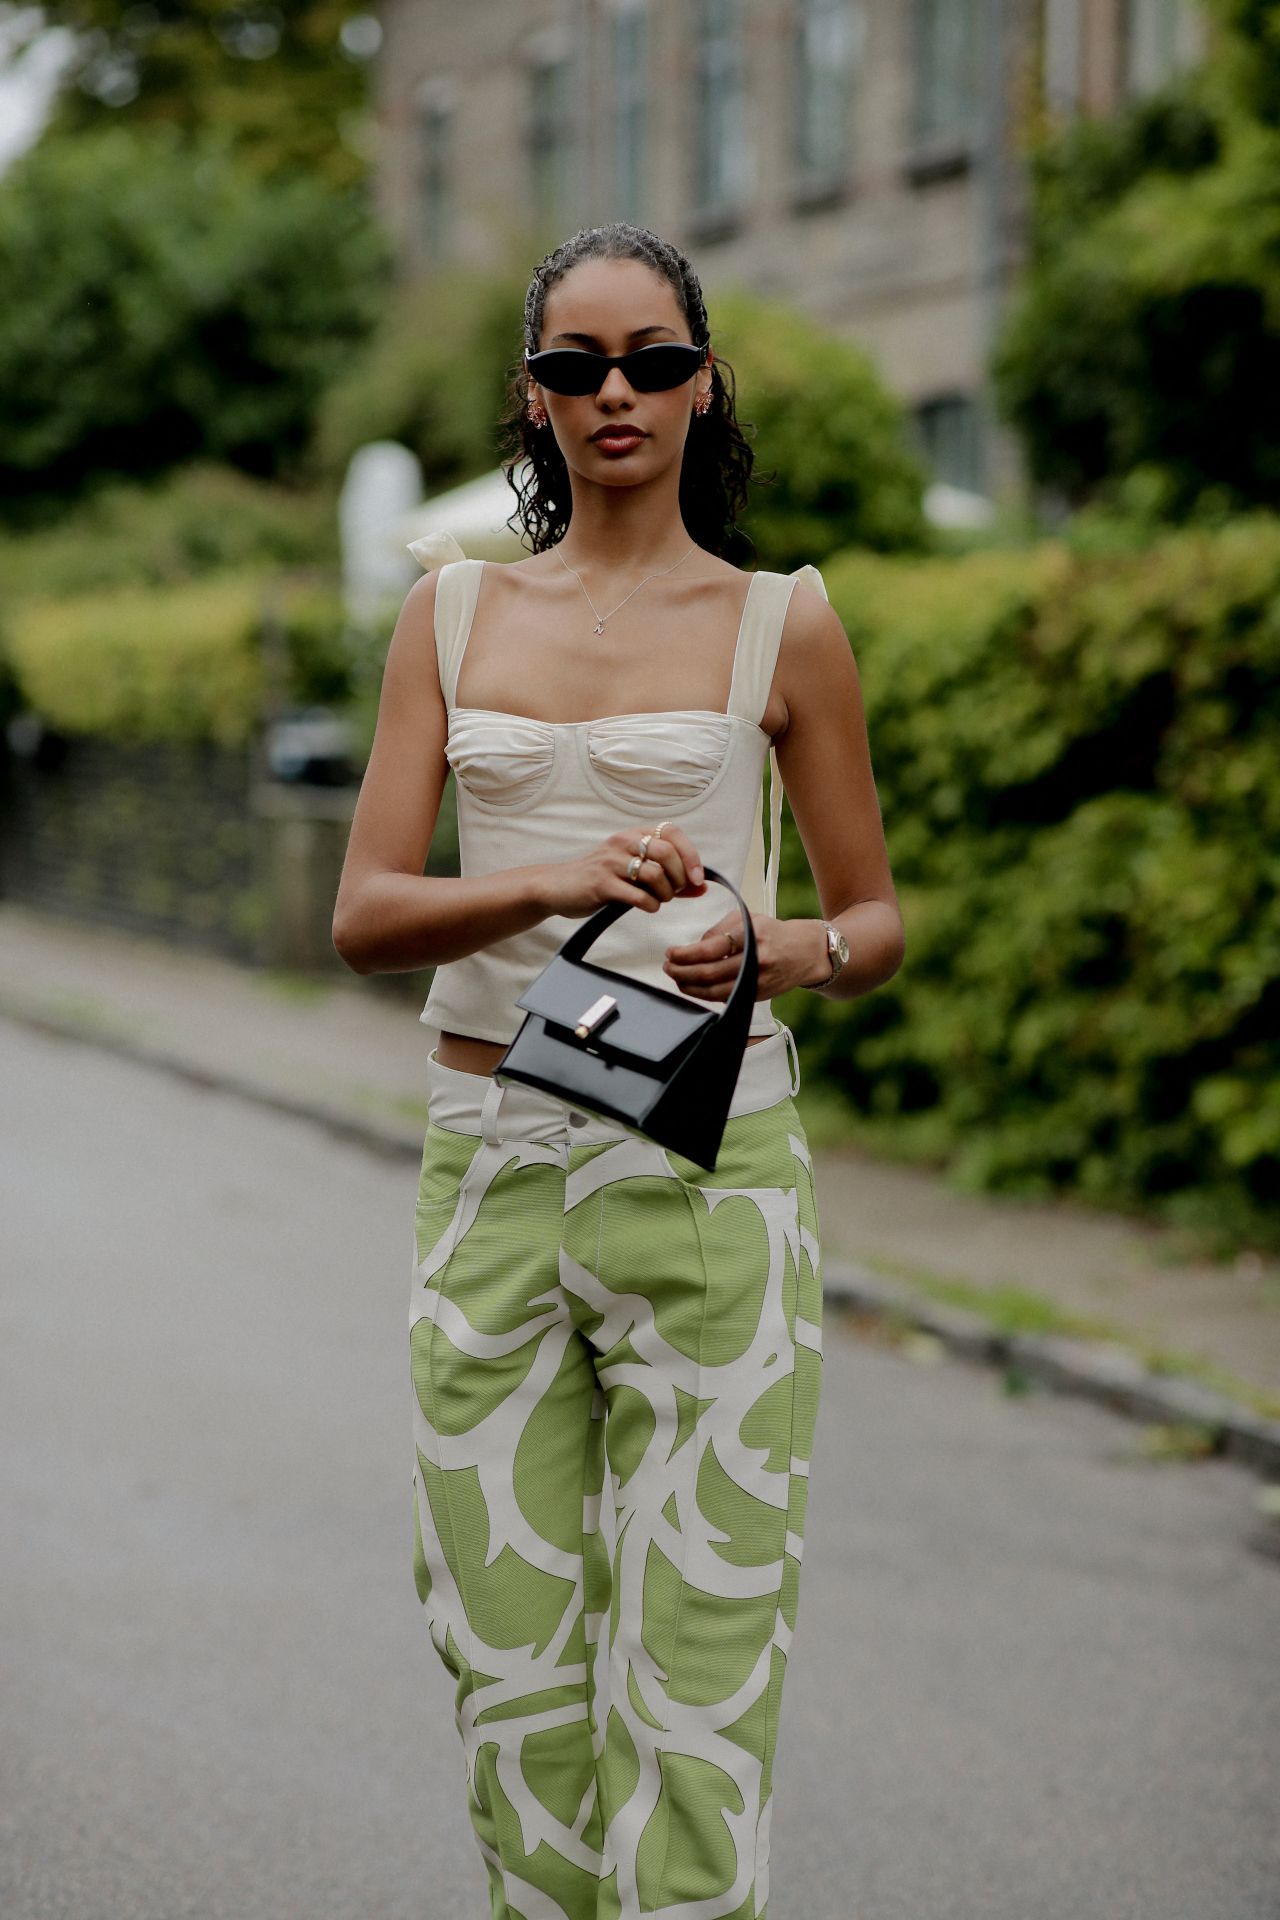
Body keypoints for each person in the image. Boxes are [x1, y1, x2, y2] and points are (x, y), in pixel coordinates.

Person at [333, 222, 904, 1920]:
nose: (616, 394)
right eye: (576, 366)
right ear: (535, 396)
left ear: (703, 376)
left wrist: (774, 945)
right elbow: (367, 913)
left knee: (700, 1675)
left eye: (651, 359)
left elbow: (871, 917)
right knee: (508, 1674)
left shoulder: (781, 625)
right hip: (491, 1160)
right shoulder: (446, 616)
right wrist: (549, 881)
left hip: (713, 1168)